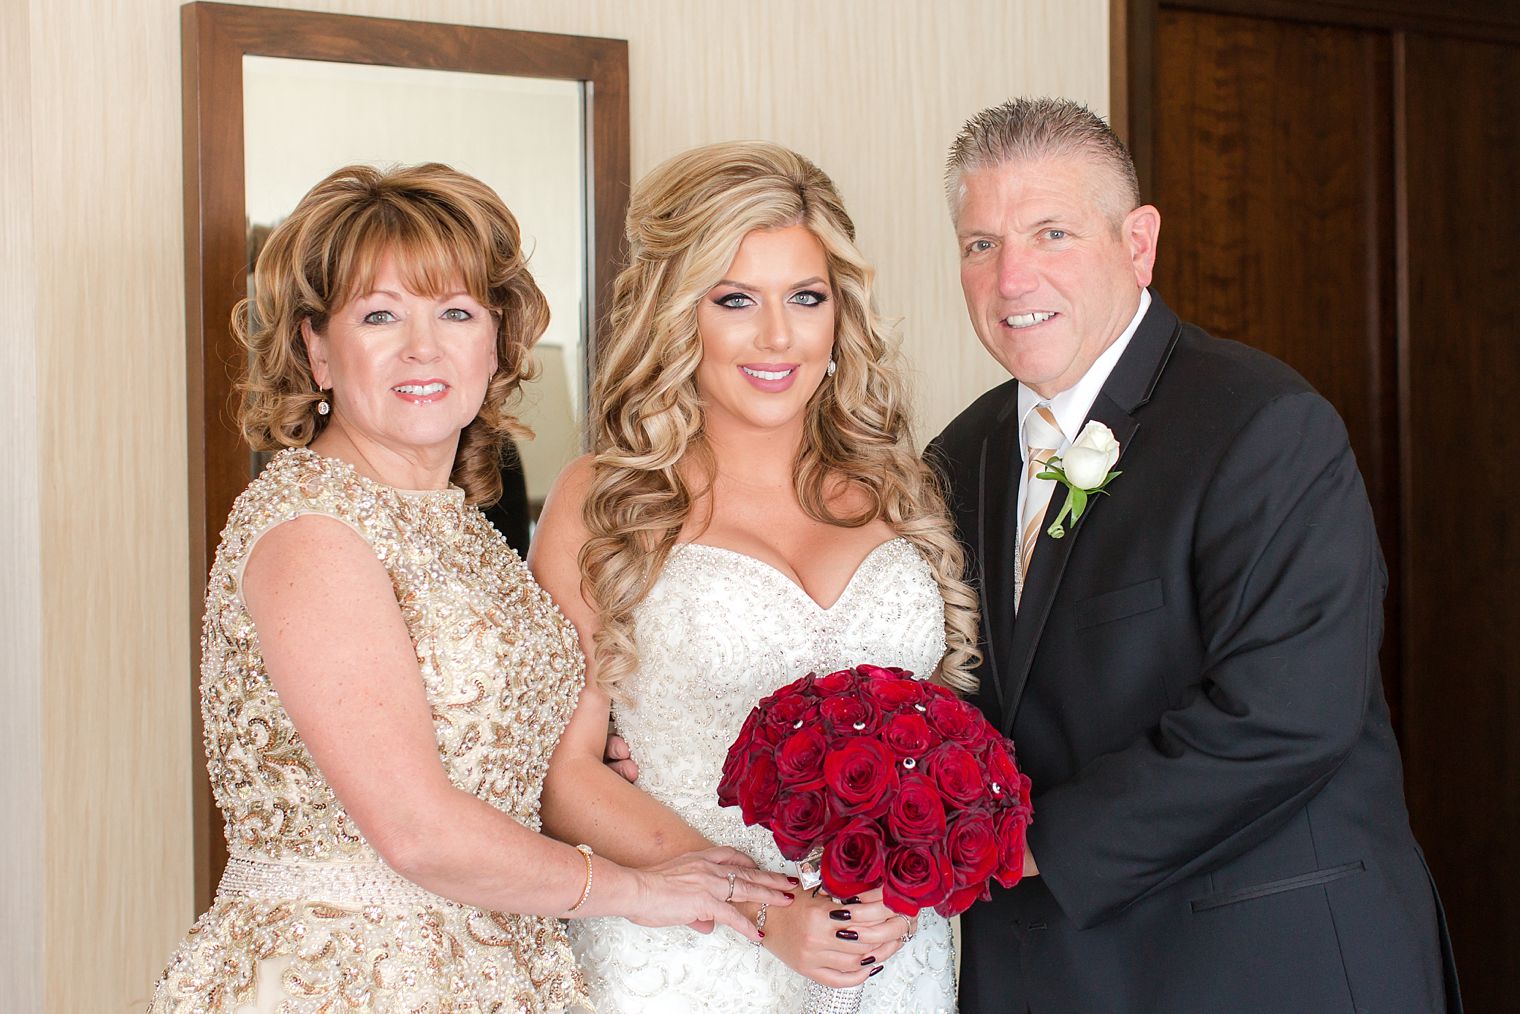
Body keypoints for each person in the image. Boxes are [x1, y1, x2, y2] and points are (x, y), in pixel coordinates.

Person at [149, 163, 793, 1012]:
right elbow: (415, 829)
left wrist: (564, 747)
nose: (424, 349)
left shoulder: (458, 526)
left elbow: (482, 735)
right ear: (315, 347)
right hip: (347, 975)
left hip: (497, 960)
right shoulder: (312, 533)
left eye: (455, 314)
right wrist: (645, 889)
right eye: (381, 316)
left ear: (495, 344)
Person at [928, 98, 1462, 1013]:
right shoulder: (956, 456)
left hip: (1259, 965)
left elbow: (1287, 714)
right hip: (1039, 972)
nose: (1013, 276)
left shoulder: (1263, 425)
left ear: (1139, 244)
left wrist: (1022, 844)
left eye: (1050, 232)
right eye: (982, 244)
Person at [527, 141, 980, 1013]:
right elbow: (565, 772)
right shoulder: (608, 498)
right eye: (735, 299)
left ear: (840, 316)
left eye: (806, 299)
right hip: (686, 950)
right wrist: (764, 912)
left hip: (887, 953)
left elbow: (941, 745)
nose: (778, 337)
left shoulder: (903, 488)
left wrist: (908, 884)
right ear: (676, 314)